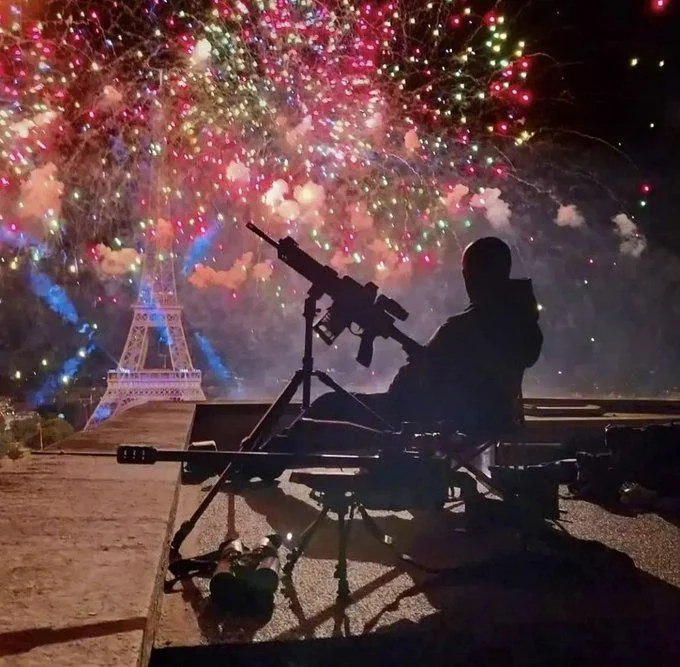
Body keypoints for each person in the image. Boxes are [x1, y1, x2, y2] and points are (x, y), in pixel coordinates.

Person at [267, 236, 543, 454]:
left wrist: (416, 365)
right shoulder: (520, 321)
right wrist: (422, 358)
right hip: (480, 417)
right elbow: (462, 368)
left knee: (326, 406)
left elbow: (428, 380)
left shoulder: (462, 327)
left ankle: (258, 463)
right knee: (330, 406)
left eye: (468, 272)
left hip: (420, 418)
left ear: (474, 275)